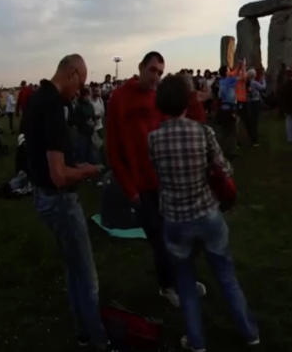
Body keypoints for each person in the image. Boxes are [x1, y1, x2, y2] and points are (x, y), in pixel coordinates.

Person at [147, 75, 260, 351]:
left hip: (175, 218)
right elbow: (226, 170)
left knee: (185, 283)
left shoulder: (153, 139)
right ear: (187, 100)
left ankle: (196, 342)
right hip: (207, 214)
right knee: (225, 274)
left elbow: (157, 175)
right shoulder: (203, 132)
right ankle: (249, 333)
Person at [22, 55, 114, 351]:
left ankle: (82, 334)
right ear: (72, 73)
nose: (80, 91)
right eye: (81, 83)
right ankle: (100, 340)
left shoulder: (37, 99)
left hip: (42, 196)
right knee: (87, 277)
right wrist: (87, 170)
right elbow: (60, 175)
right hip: (59, 200)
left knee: (73, 269)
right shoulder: (53, 107)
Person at [107, 51, 204, 307]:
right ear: (140, 67)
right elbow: (114, 149)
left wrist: (191, 94)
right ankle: (167, 285)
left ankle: (184, 278)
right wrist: (130, 189)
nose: (156, 77)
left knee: (181, 236)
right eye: (153, 70)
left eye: (160, 72)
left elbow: (192, 123)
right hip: (142, 186)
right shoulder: (119, 98)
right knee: (160, 240)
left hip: (167, 181)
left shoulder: (160, 98)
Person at [244, 68, 265, 147]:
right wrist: (263, 80)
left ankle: (251, 138)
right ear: (253, 75)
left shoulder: (247, 83)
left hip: (248, 102)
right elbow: (263, 88)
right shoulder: (254, 83)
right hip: (255, 102)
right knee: (254, 121)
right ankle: (255, 140)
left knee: (250, 121)